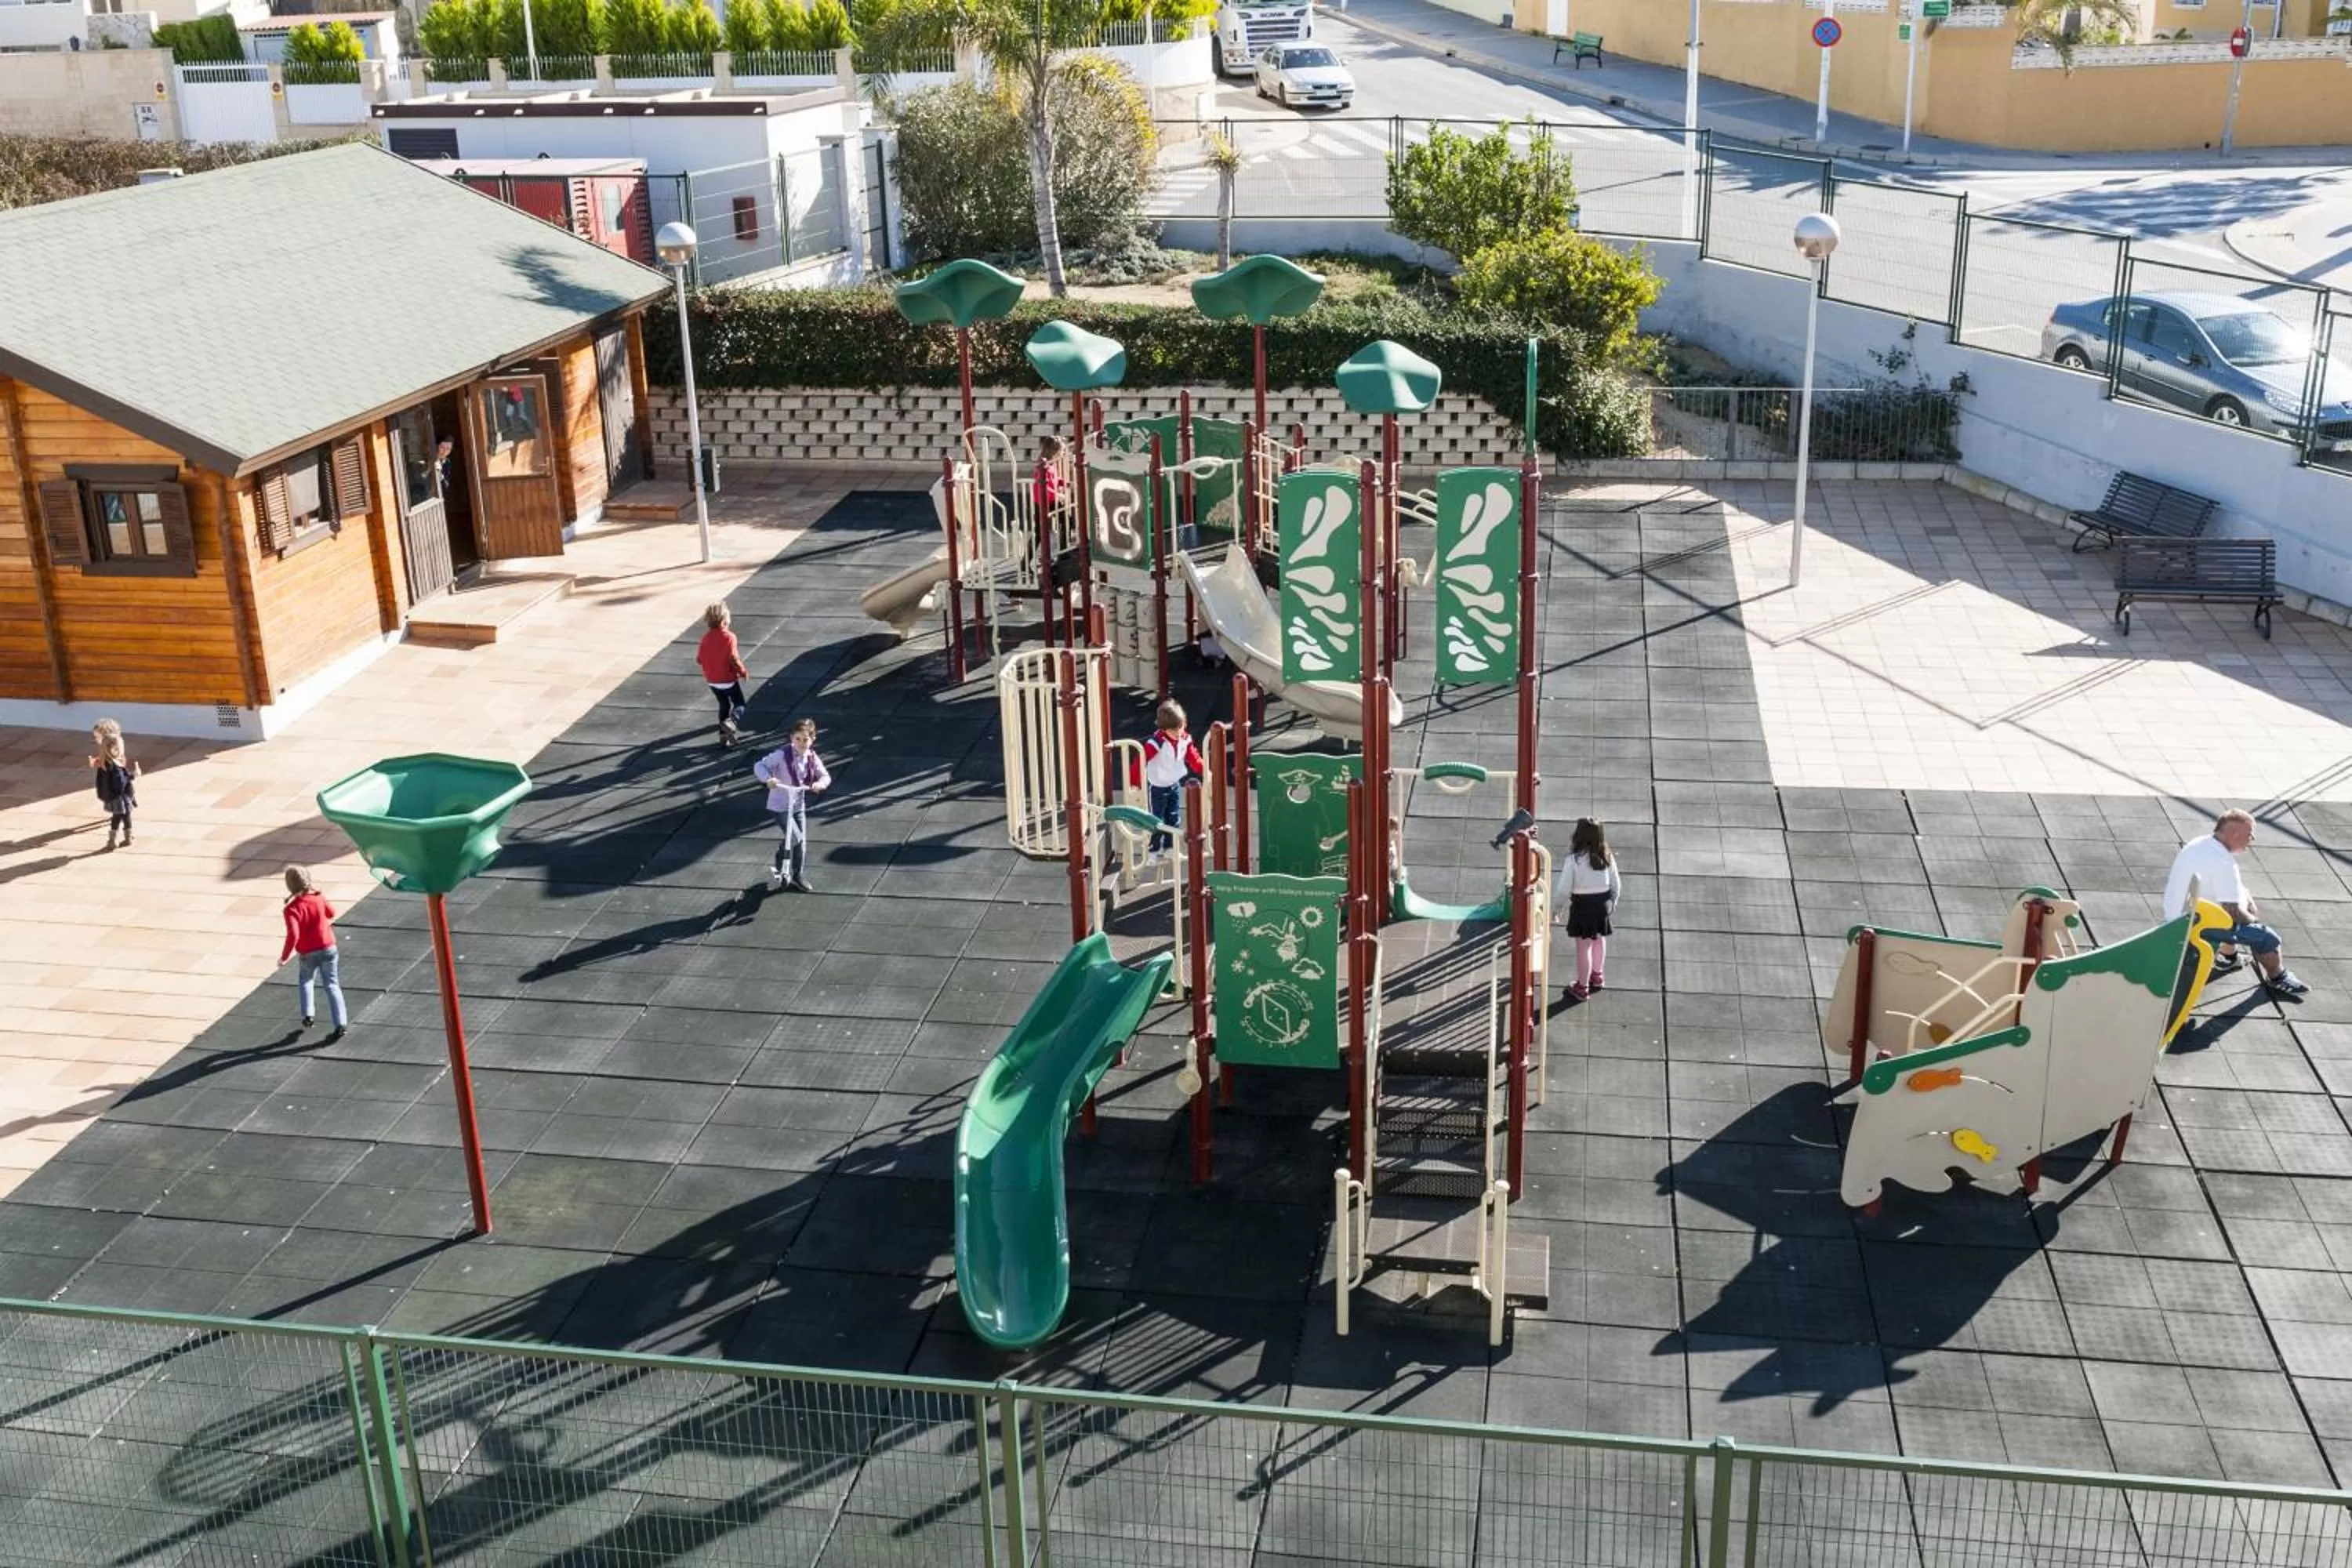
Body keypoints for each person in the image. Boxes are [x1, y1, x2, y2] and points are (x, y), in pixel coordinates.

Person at [2164, 808, 2309, 998]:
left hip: (2177, 916)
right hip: (2195, 926)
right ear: (2234, 834)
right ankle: (2278, 978)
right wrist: (2254, 920)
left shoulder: (2199, 844)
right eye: (2249, 834)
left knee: (2228, 914)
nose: (2252, 840)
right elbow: (2232, 912)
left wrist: (2246, 896)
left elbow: (2232, 889)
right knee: (2265, 937)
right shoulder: (2223, 862)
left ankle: (2228, 958)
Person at [753, 719, 831, 892]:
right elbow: (760, 765)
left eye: (806, 740)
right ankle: (781, 857)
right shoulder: (782, 755)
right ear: (791, 738)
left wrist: (820, 784)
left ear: (813, 740)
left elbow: (825, 776)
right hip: (779, 804)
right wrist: (768, 779)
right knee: (795, 837)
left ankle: (798, 874)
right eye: (798, 739)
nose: (802, 743)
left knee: (801, 841)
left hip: (797, 804)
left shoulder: (812, 757)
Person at [1557, 817, 1621, 1002]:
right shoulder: (1606, 857)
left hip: (1582, 906)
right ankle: (1597, 976)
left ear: (1578, 836)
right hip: (1602, 904)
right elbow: (1616, 883)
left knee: (1583, 946)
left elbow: (1564, 888)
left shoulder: (1574, 860)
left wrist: (1557, 907)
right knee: (1599, 939)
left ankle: (1582, 987)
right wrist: (1613, 901)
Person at [280, 866, 348, 1040]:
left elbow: (293, 935)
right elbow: (331, 913)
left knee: (306, 980)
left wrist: (284, 956)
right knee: (332, 984)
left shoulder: (292, 909)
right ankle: (341, 1024)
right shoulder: (319, 898)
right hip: (328, 947)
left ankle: (308, 1015)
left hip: (307, 952)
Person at [1142, 699, 1205, 854]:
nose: (1177, 733)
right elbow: (1141, 760)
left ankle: (1169, 847)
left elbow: (1192, 756)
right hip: (1157, 786)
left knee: (1173, 817)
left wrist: (1204, 769)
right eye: (1172, 731)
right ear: (1163, 729)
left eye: (1180, 728)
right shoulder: (1156, 743)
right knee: (1157, 820)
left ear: (1184, 723)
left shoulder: (1184, 739)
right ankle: (1154, 849)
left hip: (1174, 784)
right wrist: (1135, 781)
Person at [697, 602, 750, 747]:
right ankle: (732, 721)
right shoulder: (729, 637)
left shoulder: (706, 638)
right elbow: (733, 658)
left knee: (724, 705)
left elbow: (699, 659)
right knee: (739, 703)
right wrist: (742, 671)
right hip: (728, 680)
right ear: (724, 621)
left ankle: (723, 736)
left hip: (712, 681)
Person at [87, 719, 140, 851]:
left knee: (118, 817)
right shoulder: (113, 759)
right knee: (123, 816)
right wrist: (134, 775)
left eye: (97, 737)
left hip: (115, 794)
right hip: (120, 795)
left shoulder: (112, 756)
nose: (96, 739)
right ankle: (125, 837)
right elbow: (121, 779)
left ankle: (116, 839)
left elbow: (115, 771)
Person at [1033, 436, 1065, 524]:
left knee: (1065, 518)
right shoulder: (1043, 466)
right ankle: (1038, 537)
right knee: (1040, 524)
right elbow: (1044, 486)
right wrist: (1058, 495)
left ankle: (1065, 536)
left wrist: (1063, 482)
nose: (1063, 453)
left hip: (1051, 500)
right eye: (1062, 451)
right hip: (1042, 501)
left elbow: (1053, 479)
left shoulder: (1050, 465)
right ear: (1054, 452)